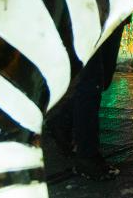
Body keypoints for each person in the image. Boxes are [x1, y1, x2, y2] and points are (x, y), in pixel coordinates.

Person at [46, 21, 126, 180]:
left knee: (104, 77)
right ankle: (87, 155)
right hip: (86, 17)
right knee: (90, 81)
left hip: (113, 15)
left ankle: (61, 121)